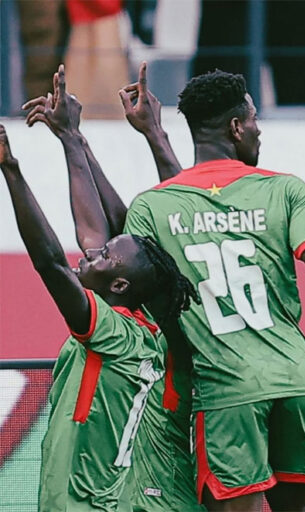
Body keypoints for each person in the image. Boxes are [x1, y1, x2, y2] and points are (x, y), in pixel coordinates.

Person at [123, 70, 305, 511]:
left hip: (223, 388)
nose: (257, 131)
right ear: (236, 127)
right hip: (291, 380)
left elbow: (141, 286)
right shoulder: (284, 188)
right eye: (254, 120)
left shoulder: (151, 206)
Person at [2, 90, 196, 511]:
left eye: (104, 256)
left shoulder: (116, 334)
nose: (91, 253)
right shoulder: (142, 325)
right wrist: (72, 139)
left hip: (95, 503)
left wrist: (11, 170)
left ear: (121, 285)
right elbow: (93, 234)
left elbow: (51, 264)